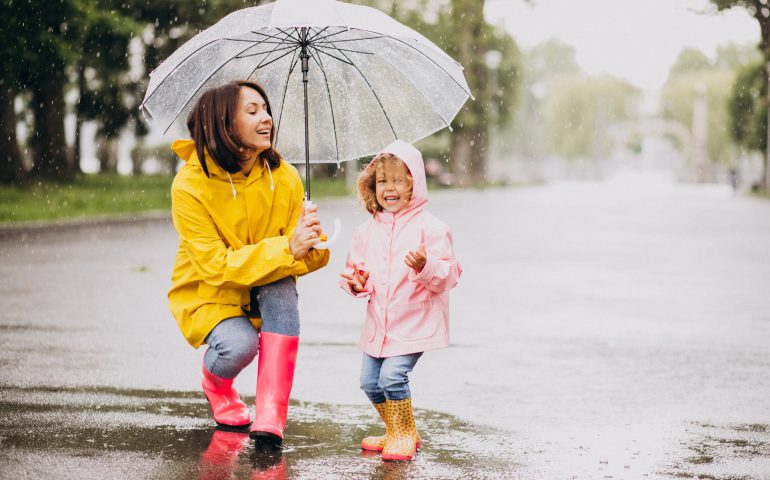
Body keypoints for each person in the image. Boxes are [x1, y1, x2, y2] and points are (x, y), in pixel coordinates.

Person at [168, 80, 329, 447]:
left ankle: (271, 415)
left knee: (282, 284)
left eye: (266, 109)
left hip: (266, 285)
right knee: (239, 345)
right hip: (212, 291)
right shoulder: (189, 186)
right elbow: (215, 266)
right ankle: (216, 382)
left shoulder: (284, 175)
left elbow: (301, 255)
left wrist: (311, 242)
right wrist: (288, 247)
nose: (267, 118)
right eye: (253, 111)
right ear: (224, 125)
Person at [339, 140, 462, 461]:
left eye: (397, 180)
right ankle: (396, 430)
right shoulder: (366, 232)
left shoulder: (431, 228)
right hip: (378, 324)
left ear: (414, 183)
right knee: (369, 382)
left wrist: (426, 266)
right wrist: (356, 283)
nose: (389, 188)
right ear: (372, 185)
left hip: (414, 322)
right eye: (382, 181)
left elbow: (450, 274)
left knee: (392, 378)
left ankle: (405, 434)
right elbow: (353, 272)